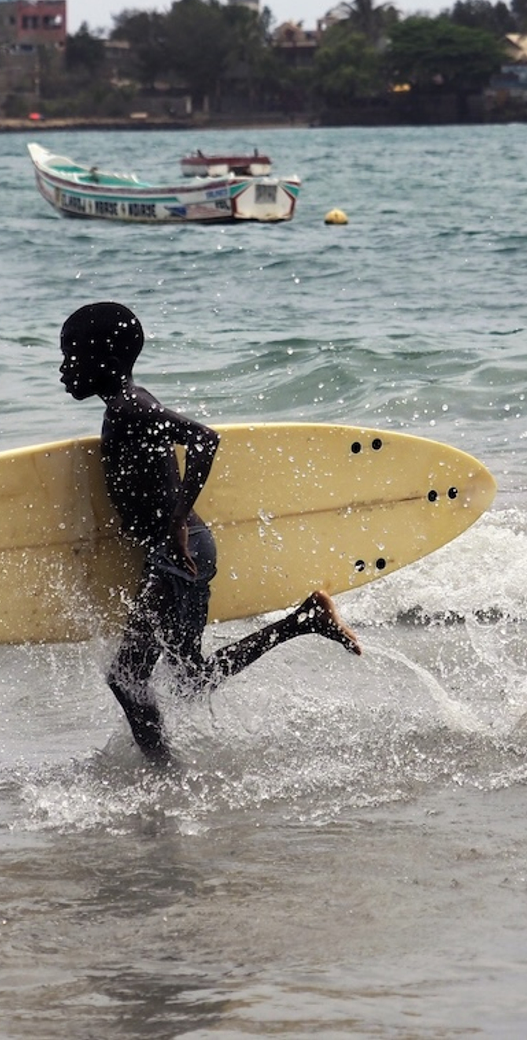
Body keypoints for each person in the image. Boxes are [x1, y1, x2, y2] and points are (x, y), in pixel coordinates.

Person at [59, 301, 362, 765]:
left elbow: (205, 439)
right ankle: (303, 621)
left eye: (70, 356)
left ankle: (166, 772)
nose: (63, 370)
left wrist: (178, 519)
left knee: (126, 675)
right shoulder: (125, 406)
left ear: (102, 359)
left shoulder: (129, 406)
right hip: (179, 552)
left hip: (178, 552)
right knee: (188, 678)